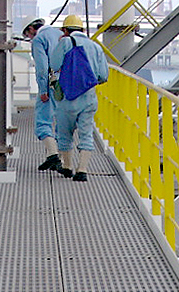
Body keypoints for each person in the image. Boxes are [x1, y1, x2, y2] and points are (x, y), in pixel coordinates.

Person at [50, 15, 109, 182]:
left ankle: (67, 167)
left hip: (68, 97)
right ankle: (82, 170)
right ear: (82, 30)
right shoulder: (96, 47)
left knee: (64, 133)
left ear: (65, 30)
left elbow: (54, 65)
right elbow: (103, 75)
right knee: (86, 133)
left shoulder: (65, 43)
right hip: (89, 97)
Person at [22, 17, 63, 171]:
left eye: (28, 35)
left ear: (32, 29)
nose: (29, 38)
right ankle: (66, 161)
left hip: (52, 84)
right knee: (62, 121)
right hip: (68, 84)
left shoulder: (39, 40)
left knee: (43, 120)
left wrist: (43, 90)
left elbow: (42, 67)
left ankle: (53, 156)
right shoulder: (60, 34)